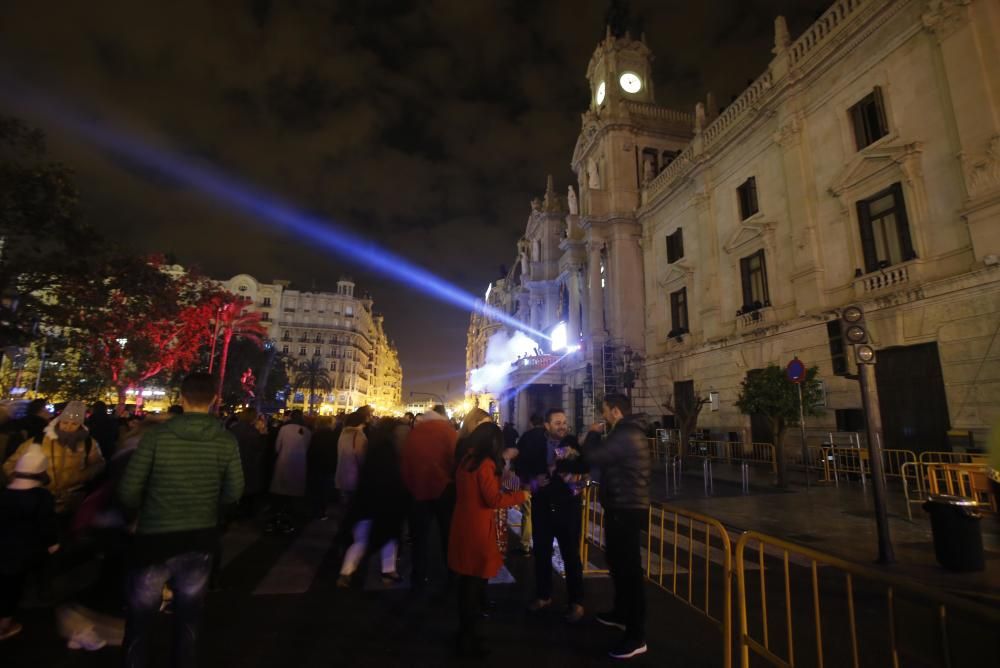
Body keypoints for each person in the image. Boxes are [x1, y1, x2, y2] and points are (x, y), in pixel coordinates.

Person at [118, 372, 244, 668]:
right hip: (199, 537)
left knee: (139, 620)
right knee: (188, 620)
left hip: (154, 537)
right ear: (214, 400)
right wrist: (212, 508)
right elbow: (235, 491)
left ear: (181, 397)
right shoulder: (225, 440)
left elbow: (128, 489)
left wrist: (138, 512)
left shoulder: (155, 437)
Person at [448, 422, 528, 658]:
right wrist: (521, 495)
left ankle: (466, 633)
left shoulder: (467, 460)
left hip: (463, 524)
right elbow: (493, 499)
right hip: (478, 528)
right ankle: (467, 639)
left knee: (466, 584)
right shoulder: (485, 464)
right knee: (474, 584)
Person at [582, 393, 650, 660]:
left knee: (629, 571)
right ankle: (621, 613)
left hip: (626, 508)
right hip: (622, 506)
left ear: (616, 411)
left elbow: (594, 457)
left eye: (605, 411)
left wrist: (592, 434)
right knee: (619, 565)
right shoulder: (627, 431)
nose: (604, 415)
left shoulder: (625, 434)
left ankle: (636, 636)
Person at [514, 408, 588, 622]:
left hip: (568, 508)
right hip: (542, 507)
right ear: (546, 425)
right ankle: (543, 596)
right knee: (542, 554)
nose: (562, 426)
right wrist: (534, 482)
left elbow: (585, 469)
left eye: (564, 422)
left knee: (571, 557)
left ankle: (577, 601)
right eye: (557, 422)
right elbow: (521, 470)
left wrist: (574, 480)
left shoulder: (573, 443)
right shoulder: (533, 443)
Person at [337, 419, 410, 587]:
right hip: (383, 500)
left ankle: (346, 572)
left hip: (367, 500)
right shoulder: (389, 450)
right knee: (388, 537)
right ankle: (388, 572)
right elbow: (391, 476)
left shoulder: (375, 446)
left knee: (363, 539)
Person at [3, 400, 104, 516]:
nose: (68, 427)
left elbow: (99, 464)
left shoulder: (89, 443)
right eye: (65, 422)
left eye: (74, 424)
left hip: (72, 501)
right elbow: (9, 465)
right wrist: (24, 483)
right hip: (40, 501)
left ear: (81, 425)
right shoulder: (39, 440)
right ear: (59, 421)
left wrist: (81, 476)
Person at [0, 449, 60, 642]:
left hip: (4, 546)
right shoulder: (42, 497)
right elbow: (46, 525)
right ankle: (3, 626)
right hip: (24, 551)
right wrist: (52, 543)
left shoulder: (5, 494)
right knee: (12, 588)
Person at [401, 404, 458, 592]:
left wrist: (411, 485)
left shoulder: (415, 432)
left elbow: (406, 461)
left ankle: (418, 576)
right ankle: (451, 575)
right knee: (447, 535)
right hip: (443, 489)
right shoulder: (448, 432)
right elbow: (454, 459)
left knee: (419, 537)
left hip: (417, 490)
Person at [268, 409, 311, 533]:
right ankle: (290, 516)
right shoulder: (307, 431)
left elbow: (277, 447)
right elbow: (307, 448)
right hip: (300, 463)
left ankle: (278, 514)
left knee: (281, 489)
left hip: (284, 461)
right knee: (294, 491)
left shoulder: (284, 429)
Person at [512, 414, 545, 557]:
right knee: (543, 512)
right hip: (543, 480)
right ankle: (543, 544)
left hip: (528, 480)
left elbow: (519, 458)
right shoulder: (547, 437)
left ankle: (525, 544)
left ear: (531, 423)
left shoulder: (526, 437)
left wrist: (520, 477)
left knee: (528, 513)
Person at [230, 409, 267, 518]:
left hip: (235, 462)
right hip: (249, 463)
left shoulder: (233, 429)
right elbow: (259, 449)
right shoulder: (253, 432)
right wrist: (264, 436)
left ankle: (235, 512)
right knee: (248, 490)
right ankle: (245, 513)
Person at [306, 416, 339, 520]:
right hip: (328, 466)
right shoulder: (334, 435)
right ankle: (321, 512)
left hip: (315, 465)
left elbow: (310, 450)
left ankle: (313, 511)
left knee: (315, 490)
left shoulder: (315, 434)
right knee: (324, 491)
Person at [335, 410, 369, 506]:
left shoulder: (343, 432)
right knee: (353, 503)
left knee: (344, 501)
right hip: (353, 474)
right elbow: (360, 455)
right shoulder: (358, 434)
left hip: (341, 472)